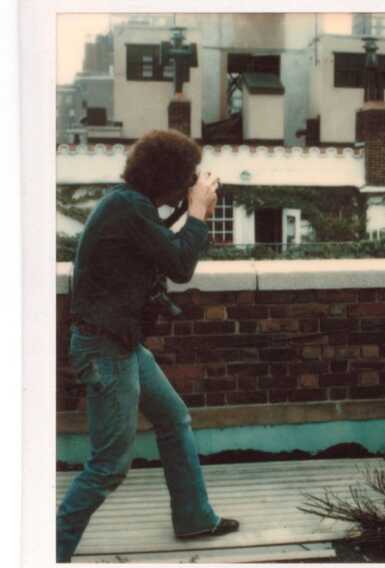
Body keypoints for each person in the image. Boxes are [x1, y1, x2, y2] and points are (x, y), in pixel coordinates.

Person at [56, 130, 239, 563]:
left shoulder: (128, 205)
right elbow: (180, 266)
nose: (191, 183)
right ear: (168, 177)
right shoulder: (128, 208)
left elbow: (166, 248)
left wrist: (192, 212)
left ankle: (194, 517)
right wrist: (198, 210)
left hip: (120, 343)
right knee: (108, 466)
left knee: (173, 418)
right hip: (106, 349)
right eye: (187, 177)